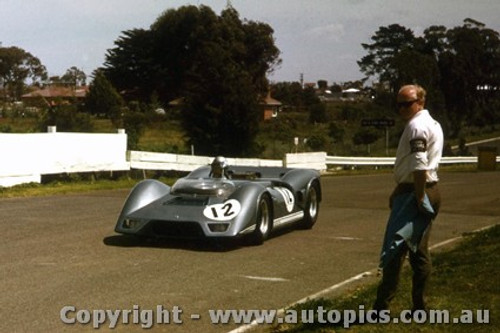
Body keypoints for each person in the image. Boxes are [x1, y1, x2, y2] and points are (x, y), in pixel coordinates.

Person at [373, 84, 444, 314]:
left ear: (420, 102)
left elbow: (419, 164)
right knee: (419, 251)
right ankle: (419, 305)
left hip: (417, 191)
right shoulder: (433, 124)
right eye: (399, 104)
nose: (402, 108)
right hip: (424, 188)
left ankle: (381, 308)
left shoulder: (416, 126)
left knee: (395, 251)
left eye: (408, 103)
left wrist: (418, 195)